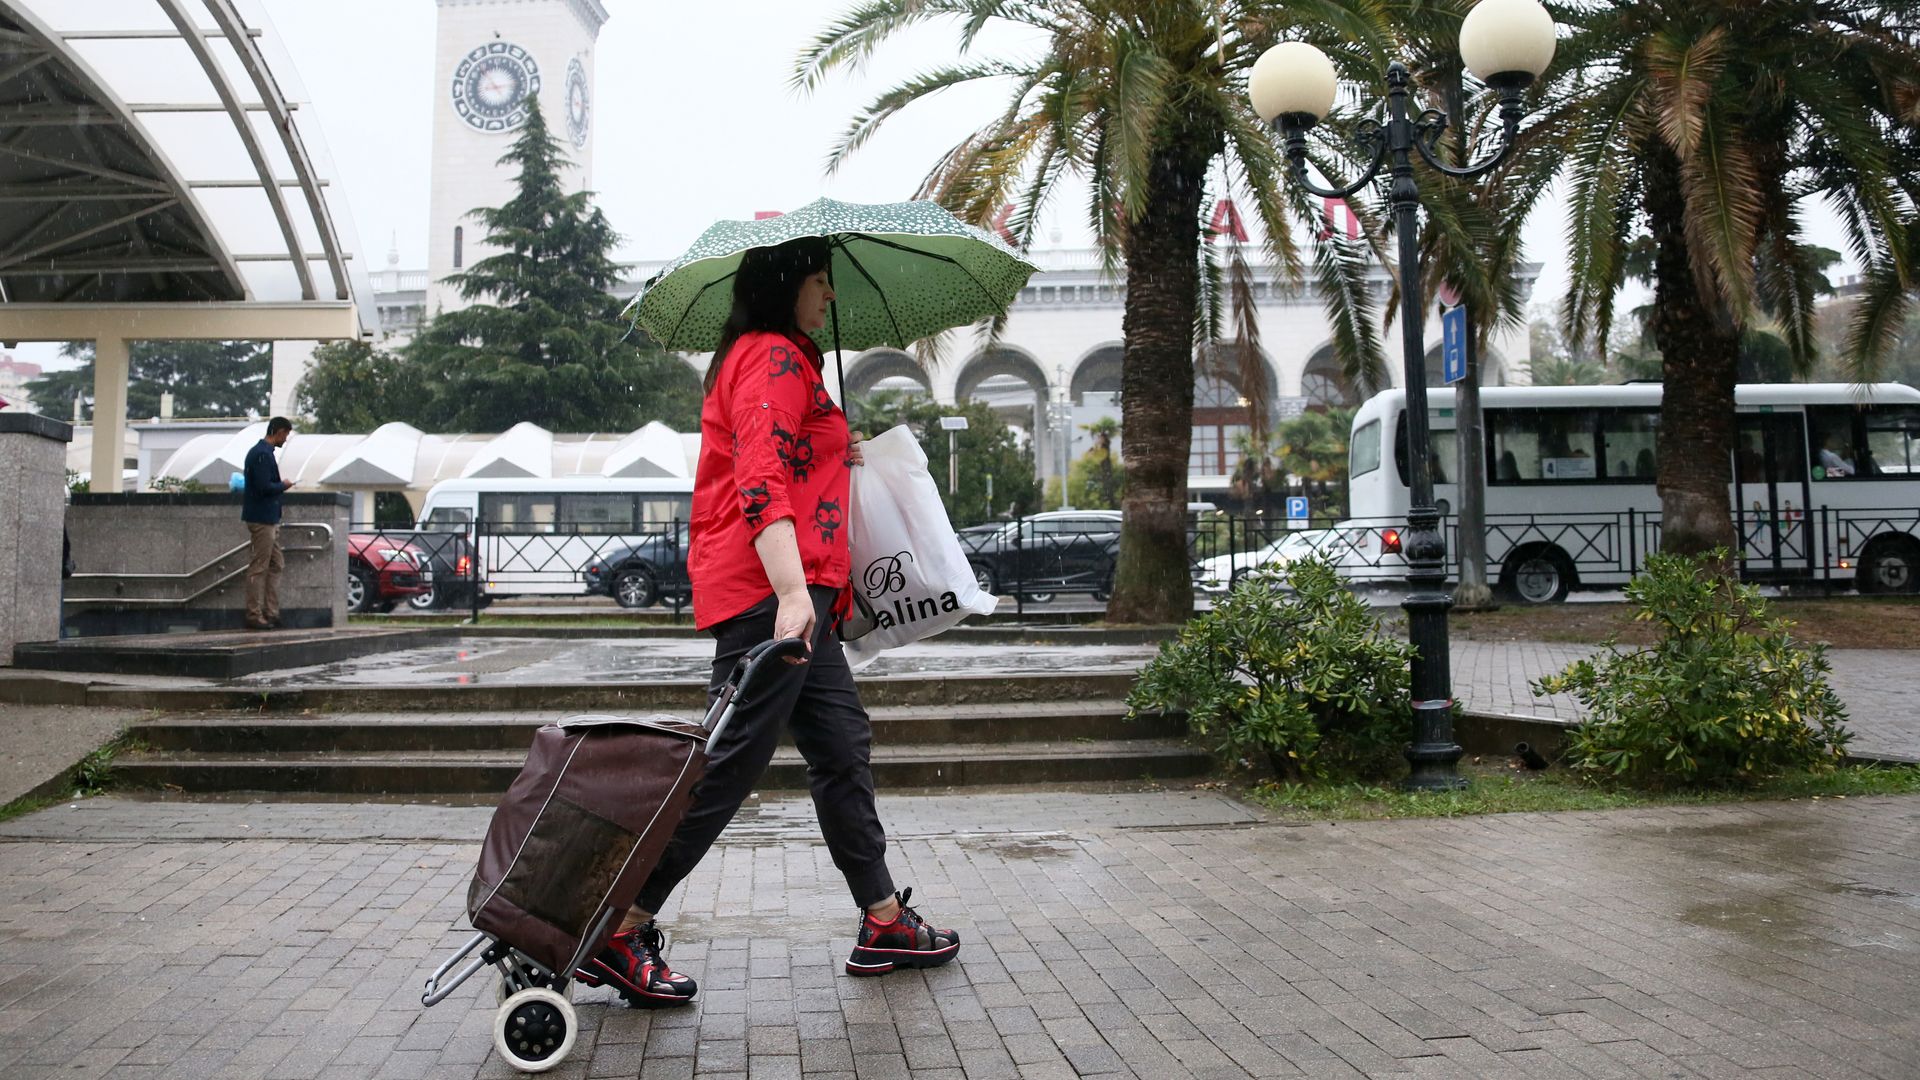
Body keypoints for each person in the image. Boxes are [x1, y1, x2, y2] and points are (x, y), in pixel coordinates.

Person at [573, 237, 959, 1010]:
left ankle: (882, 918)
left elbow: (785, 458)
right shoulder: (773, 358)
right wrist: (789, 593)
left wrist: (833, 451)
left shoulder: (786, 361)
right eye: (821, 281)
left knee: (841, 745)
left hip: (797, 590)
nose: (830, 297)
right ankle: (619, 925)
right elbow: (757, 478)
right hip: (770, 593)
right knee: (725, 764)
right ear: (787, 285)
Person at [242, 416, 295, 629]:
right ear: (279, 431)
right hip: (262, 518)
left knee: (275, 563)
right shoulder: (262, 454)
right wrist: (283, 486)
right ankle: (254, 614)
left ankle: (271, 612)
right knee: (259, 566)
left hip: (266, 517)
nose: (286, 439)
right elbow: (264, 487)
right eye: (286, 434)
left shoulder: (261, 453)